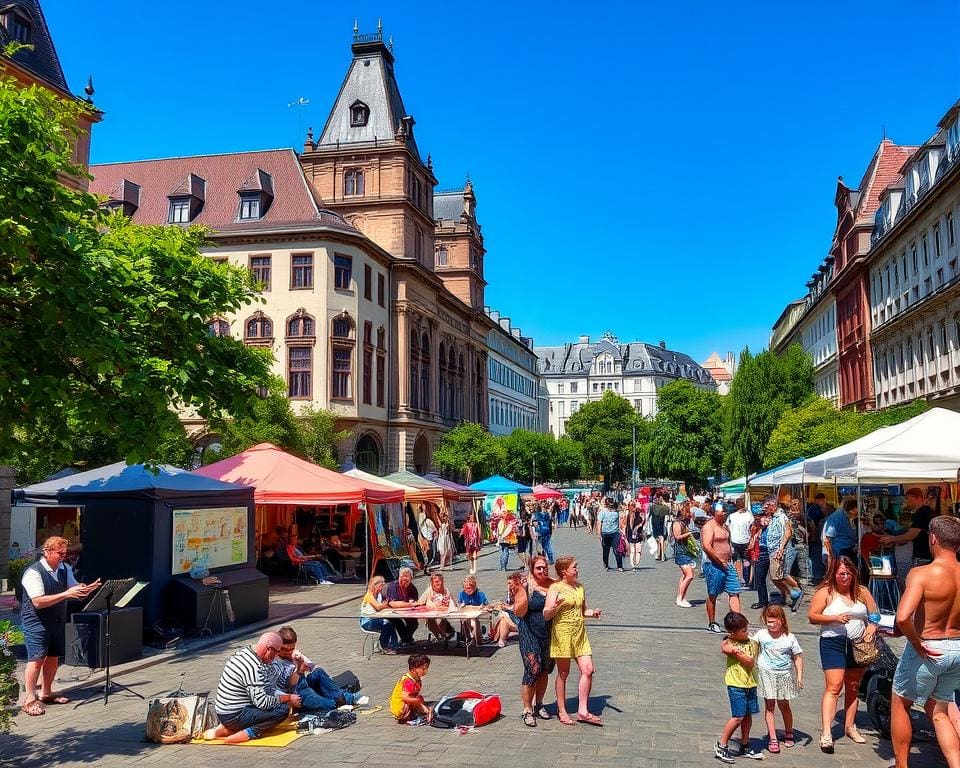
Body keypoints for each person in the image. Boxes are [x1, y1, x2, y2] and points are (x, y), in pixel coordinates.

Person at [891, 516, 960, 768]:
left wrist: (917, 643)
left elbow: (902, 617)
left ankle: (902, 765)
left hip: (930, 645)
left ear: (933, 539)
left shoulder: (921, 573)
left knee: (900, 703)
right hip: (957, 647)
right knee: (940, 711)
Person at [19, 536, 100, 715]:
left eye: (65, 552)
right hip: (36, 621)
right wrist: (66, 594)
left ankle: (46, 693)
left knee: (53, 656)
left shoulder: (65, 568)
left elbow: (73, 588)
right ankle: (29, 698)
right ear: (47, 552)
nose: (63, 556)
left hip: (57, 619)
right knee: (36, 659)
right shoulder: (34, 572)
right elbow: (38, 602)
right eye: (59, 553)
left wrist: (86, 588)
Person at [807, 555, 879, 753]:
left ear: (854, 574)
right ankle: (827, 732)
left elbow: (875, 614)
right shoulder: (826, 592)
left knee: (854, 686)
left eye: (848, 573)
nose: (845, 577)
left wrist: (872, 626)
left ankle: (850, 726)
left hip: (859, 644)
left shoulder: (862, 592)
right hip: (833, 643)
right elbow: (812, 616)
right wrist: (833, 618)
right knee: (834, 686)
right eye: (841, 573)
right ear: (834, 574)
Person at [203, 632, 297, 743]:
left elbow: (265, 687)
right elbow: (263, 703)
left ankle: (228, 729)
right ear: (269, 649)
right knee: (282, 710)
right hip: (234, 714)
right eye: (276, 652)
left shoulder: (245, 653)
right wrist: (288, 698)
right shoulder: (254, 667)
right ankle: (248, 733)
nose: (275, 657)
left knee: (276, 703)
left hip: (223, 711)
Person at [543, 555, 602, 726]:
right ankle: (562, 710)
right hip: (563, 633)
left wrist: (593, 613)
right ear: (564, 571)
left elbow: (582, 611)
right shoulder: (556, 588)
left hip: (579, 633)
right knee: (563, 673)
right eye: (574, 567)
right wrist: (553, 608)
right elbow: (546, 614)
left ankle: (583, 711)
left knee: (588, 670)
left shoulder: (580, 588)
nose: (577, 569)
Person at [273, 626, 369, 710]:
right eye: (284, 649)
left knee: (319, 672)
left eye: (291, 649)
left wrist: (301, 660)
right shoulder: (274, 659)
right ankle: (337, 703)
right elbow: (291, 684)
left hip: (304, 684)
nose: (288, 652)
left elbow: (312, 667)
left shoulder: (293, 655)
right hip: (293, 692)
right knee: (323, 702)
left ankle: (345, 698)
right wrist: (299, 669)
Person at [753, 605, 803, 754]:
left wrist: (799, 675)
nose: (771, 625)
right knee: (769, 706)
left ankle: (789, 731)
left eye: (774, 621)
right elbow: (750, 645)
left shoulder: (789, 637)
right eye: (768, 621)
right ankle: (773, 738)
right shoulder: (761, 634)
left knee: (784, 705)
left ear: (782, 620)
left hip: (784, 674)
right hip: (766, 673)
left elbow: (798, 657)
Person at [714, 611, 764, 763]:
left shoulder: (750, 641)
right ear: (732, 632)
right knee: (738, 717)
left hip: (750, 684)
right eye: (743, 630)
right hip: (736, 685)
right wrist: (736, 652)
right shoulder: (730, 644)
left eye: (746, 628)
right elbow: (726, 647)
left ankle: (745, 744)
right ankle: (721, 745)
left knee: (748, 715)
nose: (746, 632)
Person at [514, 555, 556, 727]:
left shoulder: (552, 584)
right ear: (532, 569)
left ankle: (539, 704)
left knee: (544, 670)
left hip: (547, 633)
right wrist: (523, 592)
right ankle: (527, 709)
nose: (542, 571)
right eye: (538, 568)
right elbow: (519, 612)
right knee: (533, 668)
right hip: (529, 633)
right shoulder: (525, 586)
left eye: (544, 567)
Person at [880, 486, 939, 576]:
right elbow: (916, 534)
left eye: (907, 498)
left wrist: (893, 539)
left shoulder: (921, 512)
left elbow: (912, 535)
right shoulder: (928, 511)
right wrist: (897, 541)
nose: (906, 502)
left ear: (916, 497)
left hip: (922, 556)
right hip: (929, 555)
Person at [702, 503, 742, 633]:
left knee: (734, 592)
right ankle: (712, 622)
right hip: (714, 565)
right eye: (721, 512)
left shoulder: (725, 527)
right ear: (715, 513)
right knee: (713, 595)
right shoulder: (709, 526)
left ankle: (737, 623)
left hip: (728, 564)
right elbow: (706, 546)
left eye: (725, 512)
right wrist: (719, 561)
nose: (724, 514)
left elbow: (728, 543)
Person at [768, 501, 803, 611]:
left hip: (783, 549)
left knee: (779, 575)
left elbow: (789, 531)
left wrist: (781, 547)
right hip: (774, 550)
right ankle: (788, 593)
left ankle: (796, 590)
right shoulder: (775, 517)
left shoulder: (783, 517)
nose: (765, 508)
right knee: (776, 576)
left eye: (766, 506)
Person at [360, 575, 400, 654]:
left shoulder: (378, 595)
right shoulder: (369, 595)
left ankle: (393, 644)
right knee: (386, 624)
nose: (382, 588)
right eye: (381, 586)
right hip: (367, 621)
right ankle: (386, 646)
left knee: (392, 622)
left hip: (376, 618)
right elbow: (378, 607)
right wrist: (388, 604)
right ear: (376, 585)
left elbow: (381, 606)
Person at [390, 654, 432, 725]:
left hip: (405, 703)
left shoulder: (416, 679)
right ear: (413, 669)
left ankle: (417, 711)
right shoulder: (408, 681)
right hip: (401, 708)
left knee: (420, 698)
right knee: (418, 701)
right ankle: (406, 718)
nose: (425, 671)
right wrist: (420, 705)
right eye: (423, 669)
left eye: (426, 668)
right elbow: (405, 698)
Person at [385, 567, 420, 646]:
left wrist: (409, 603)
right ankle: (406, 640)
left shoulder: (412, 588)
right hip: (389, 611)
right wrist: (408, 604)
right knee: (397, 621)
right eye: (402, 578)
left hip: (405, 611)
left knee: (414, 623)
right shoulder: (393, 586)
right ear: (399, 577)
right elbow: (392, 604)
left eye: (406, 580)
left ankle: (406, 639)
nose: (404, 582)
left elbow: (414, 601)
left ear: (411, 579)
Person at [822, 500, 858, 574]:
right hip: (840, 551)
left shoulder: (847, 517)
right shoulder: (837, 517)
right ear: (852, 510)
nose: (857, 514)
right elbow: (827, 539)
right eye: (857, 511)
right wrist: (831, 557)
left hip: (847, 548)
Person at [418, 571, 455, 644]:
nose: (438, 583)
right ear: (432, 583)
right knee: (431, 619)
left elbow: (452, 603)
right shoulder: (429, 591)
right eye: (436, 582)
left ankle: (443, 636)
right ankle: (439, 637)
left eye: (440, 581)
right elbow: (428, 605)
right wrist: (438, 607)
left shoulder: (446, 590)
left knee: (441, 618)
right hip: (431, 613)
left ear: (443, 581)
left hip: (443, 614)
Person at [672, 504, 698, 608]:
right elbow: (677, 537)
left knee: (685, 575)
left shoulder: (684, 523)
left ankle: (681, 596)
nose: (690, 515)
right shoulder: (677, 523)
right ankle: (680, 599)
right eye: (688, 513)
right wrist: (689, 534)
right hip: (681, 552)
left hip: (685, 551)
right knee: (689, 575)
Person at [490, 573, 522, 647]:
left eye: (510, 583)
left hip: (521, 620)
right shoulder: (510, 591)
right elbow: (510, 605)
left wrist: (506, 607)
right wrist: (504, 605)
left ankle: (499, 638)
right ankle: (501, 639)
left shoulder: (521, 592)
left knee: (502, 617)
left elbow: (517, 607)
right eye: (508, 583)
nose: (508, 585)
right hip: (514, 617)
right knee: (502, 618)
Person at [457, 574, 489, 647]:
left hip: (477, 616)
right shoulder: (462, 594)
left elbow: (486, 605)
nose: (467, 591)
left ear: (474, 587)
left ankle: (476, 640)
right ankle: (469, 638)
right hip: (467, 615)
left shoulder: (480, 594)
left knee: (473, 622)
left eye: (469, 588)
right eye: (465, 588)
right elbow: (459, 604)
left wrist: (484, 607)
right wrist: (461, 605)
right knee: (465, 620)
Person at [728, 498, 754, 587]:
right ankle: (748, 580)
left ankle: (740, 578)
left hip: (734, 540)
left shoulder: (731, 516)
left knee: (737, 560)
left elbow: (727, 526)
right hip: (746, 540)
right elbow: (752, 526)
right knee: (747, 560)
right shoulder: (749, 516)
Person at [598, 497, 625, 572]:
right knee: (606, 551)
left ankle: (620, 566)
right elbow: (599, 523)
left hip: (615, 533)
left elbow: (621, 522)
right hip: (605, 534)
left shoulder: (617, 512)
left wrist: (622, 531)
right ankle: (606, 565)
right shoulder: (602, 512)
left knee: (617, 550)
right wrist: (599, 534)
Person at [624, 500, 646, 571]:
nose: (633, 508)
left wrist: (640, 525)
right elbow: (624, 524)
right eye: (631, 506)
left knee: (638, 550)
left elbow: (643, 520)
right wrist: (624, 534)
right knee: (632, 550)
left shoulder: (638, 513)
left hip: (638, 534)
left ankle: (636, 562)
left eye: (633, 506)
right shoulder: (626, 514)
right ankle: (633, 565)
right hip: (630, 533)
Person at [649, 493, 671, 561]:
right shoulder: (665, 508)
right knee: (662, 538)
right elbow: (669, 516)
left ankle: (659, 554)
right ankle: (661, 554)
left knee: (658, 539)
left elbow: (649, 515)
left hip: (654, 524)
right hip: (662, 523)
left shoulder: (652, 507)